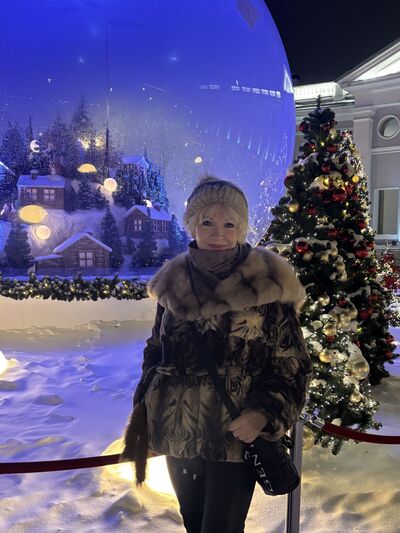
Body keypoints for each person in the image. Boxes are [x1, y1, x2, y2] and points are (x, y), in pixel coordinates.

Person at [123, 176, 312, 533]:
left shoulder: (267, 282)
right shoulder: (174, 282)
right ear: (191, 224)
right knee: (193, 523)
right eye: (207, 222)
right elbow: (156, 353)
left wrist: (265, 412)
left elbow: (292, 363)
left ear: (241, 228)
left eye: (229, 224)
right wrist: (144, 416)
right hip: (178, 431)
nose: (218, 234)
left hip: (235, 434)